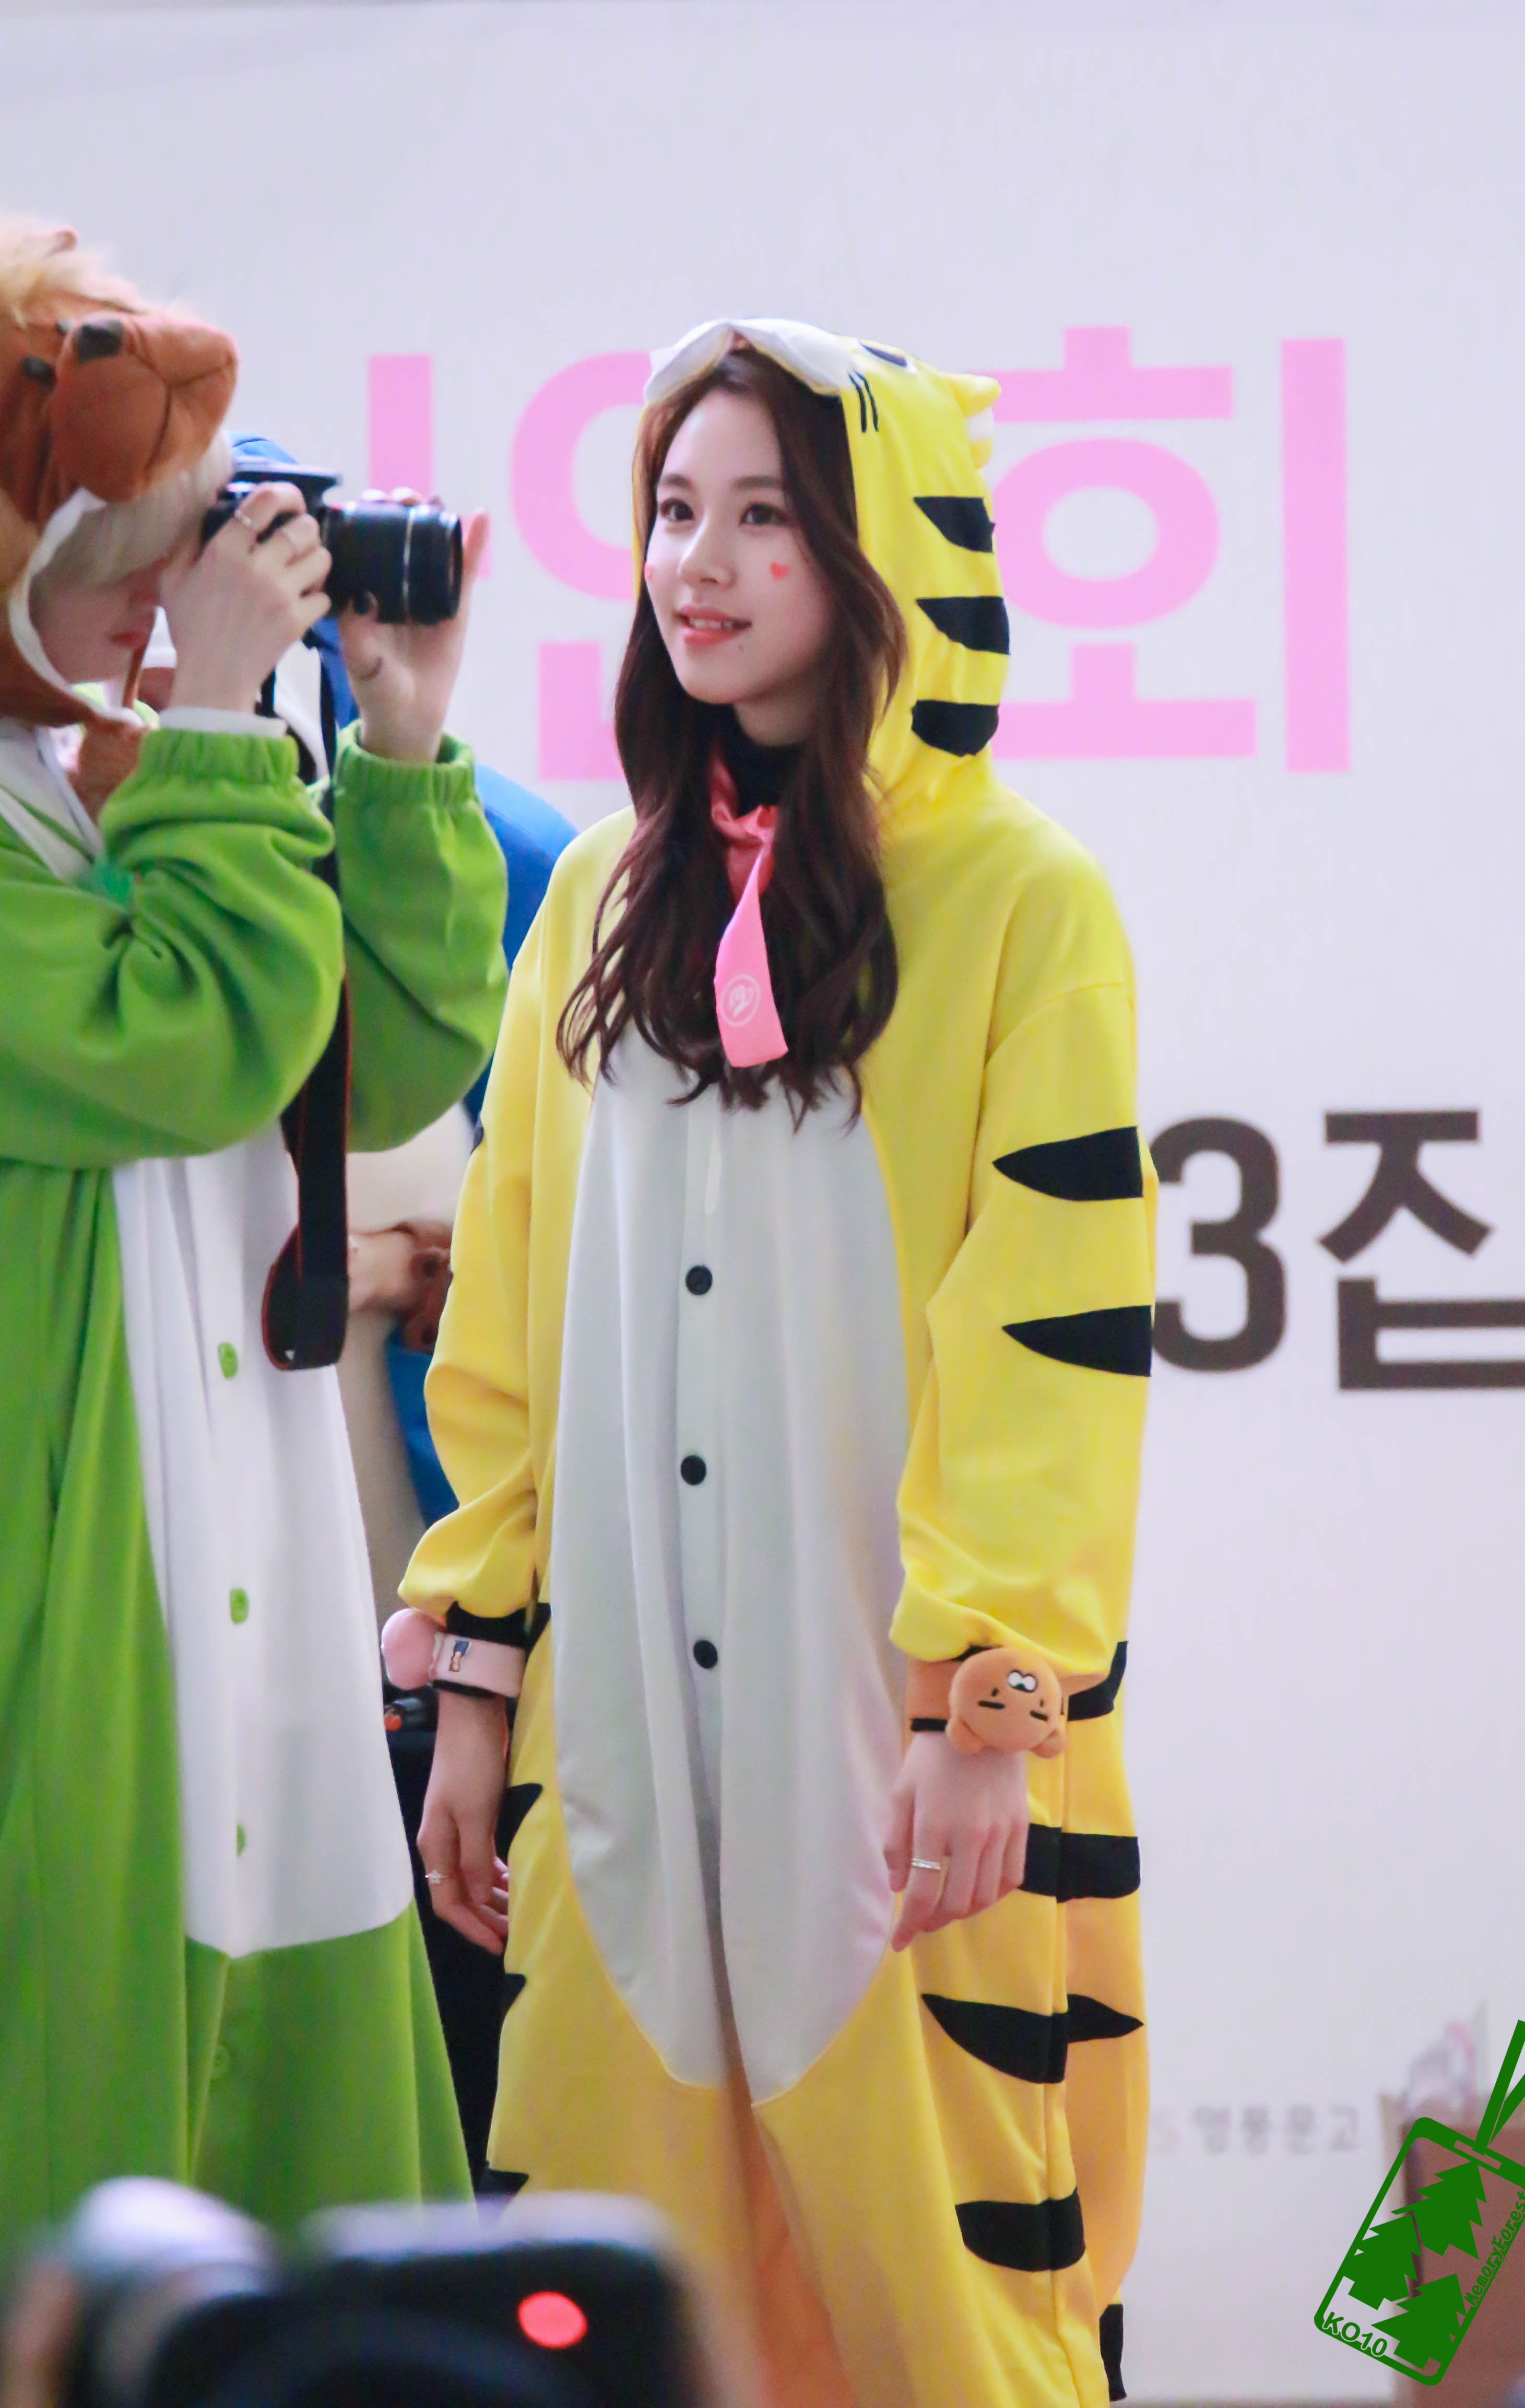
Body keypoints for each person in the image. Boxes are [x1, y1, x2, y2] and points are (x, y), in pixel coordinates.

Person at [399, 320, 1154, 2408]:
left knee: (948, 2288)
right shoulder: (599, 900)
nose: (697, 564)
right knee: (619, 2307)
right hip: (625, 1740)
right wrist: (476, 1671)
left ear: (877, 551)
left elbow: (1050, 1333)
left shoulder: (1022, 903)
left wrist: (985, 1696)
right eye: (670, 511)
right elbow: (511, 1325)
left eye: (764, 519)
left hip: (888, 1742)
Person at [0, 220, 507, 2243]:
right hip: (78, 1607)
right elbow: (187, 1036)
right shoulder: (129, 789)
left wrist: (393, 745)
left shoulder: (103, 788)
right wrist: (209, 718)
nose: (178, 593)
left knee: (293, 2154)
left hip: (253, 1575)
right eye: (138, 552)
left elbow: (361, 1075)